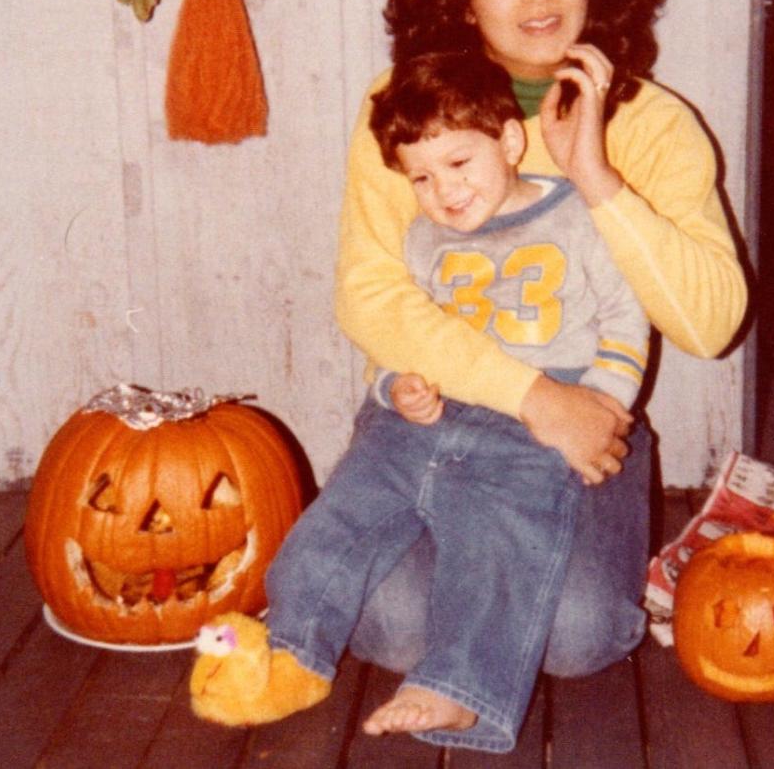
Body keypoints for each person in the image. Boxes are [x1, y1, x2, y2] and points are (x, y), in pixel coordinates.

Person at [332, 0, 747, 691]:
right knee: (390, 621)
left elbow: (712, 324)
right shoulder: (407, 101)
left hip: (586, 424)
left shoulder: (656, 125)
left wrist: (596, 178)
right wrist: (532, 400)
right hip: (433, 419)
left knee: (579, 636)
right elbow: (368, 290)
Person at [255, 50, 651, 752]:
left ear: (508, 139)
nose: (444, 191)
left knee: (496, 541)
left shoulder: (575, 220)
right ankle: (286, 653)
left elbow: (626, 317)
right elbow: (395, 335)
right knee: (339, 519)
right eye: (423, 177)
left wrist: (600, 402)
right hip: (427, 416)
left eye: (459, 164)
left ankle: (458, 688)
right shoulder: (422, 238)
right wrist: (394, 386)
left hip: (537, 422)